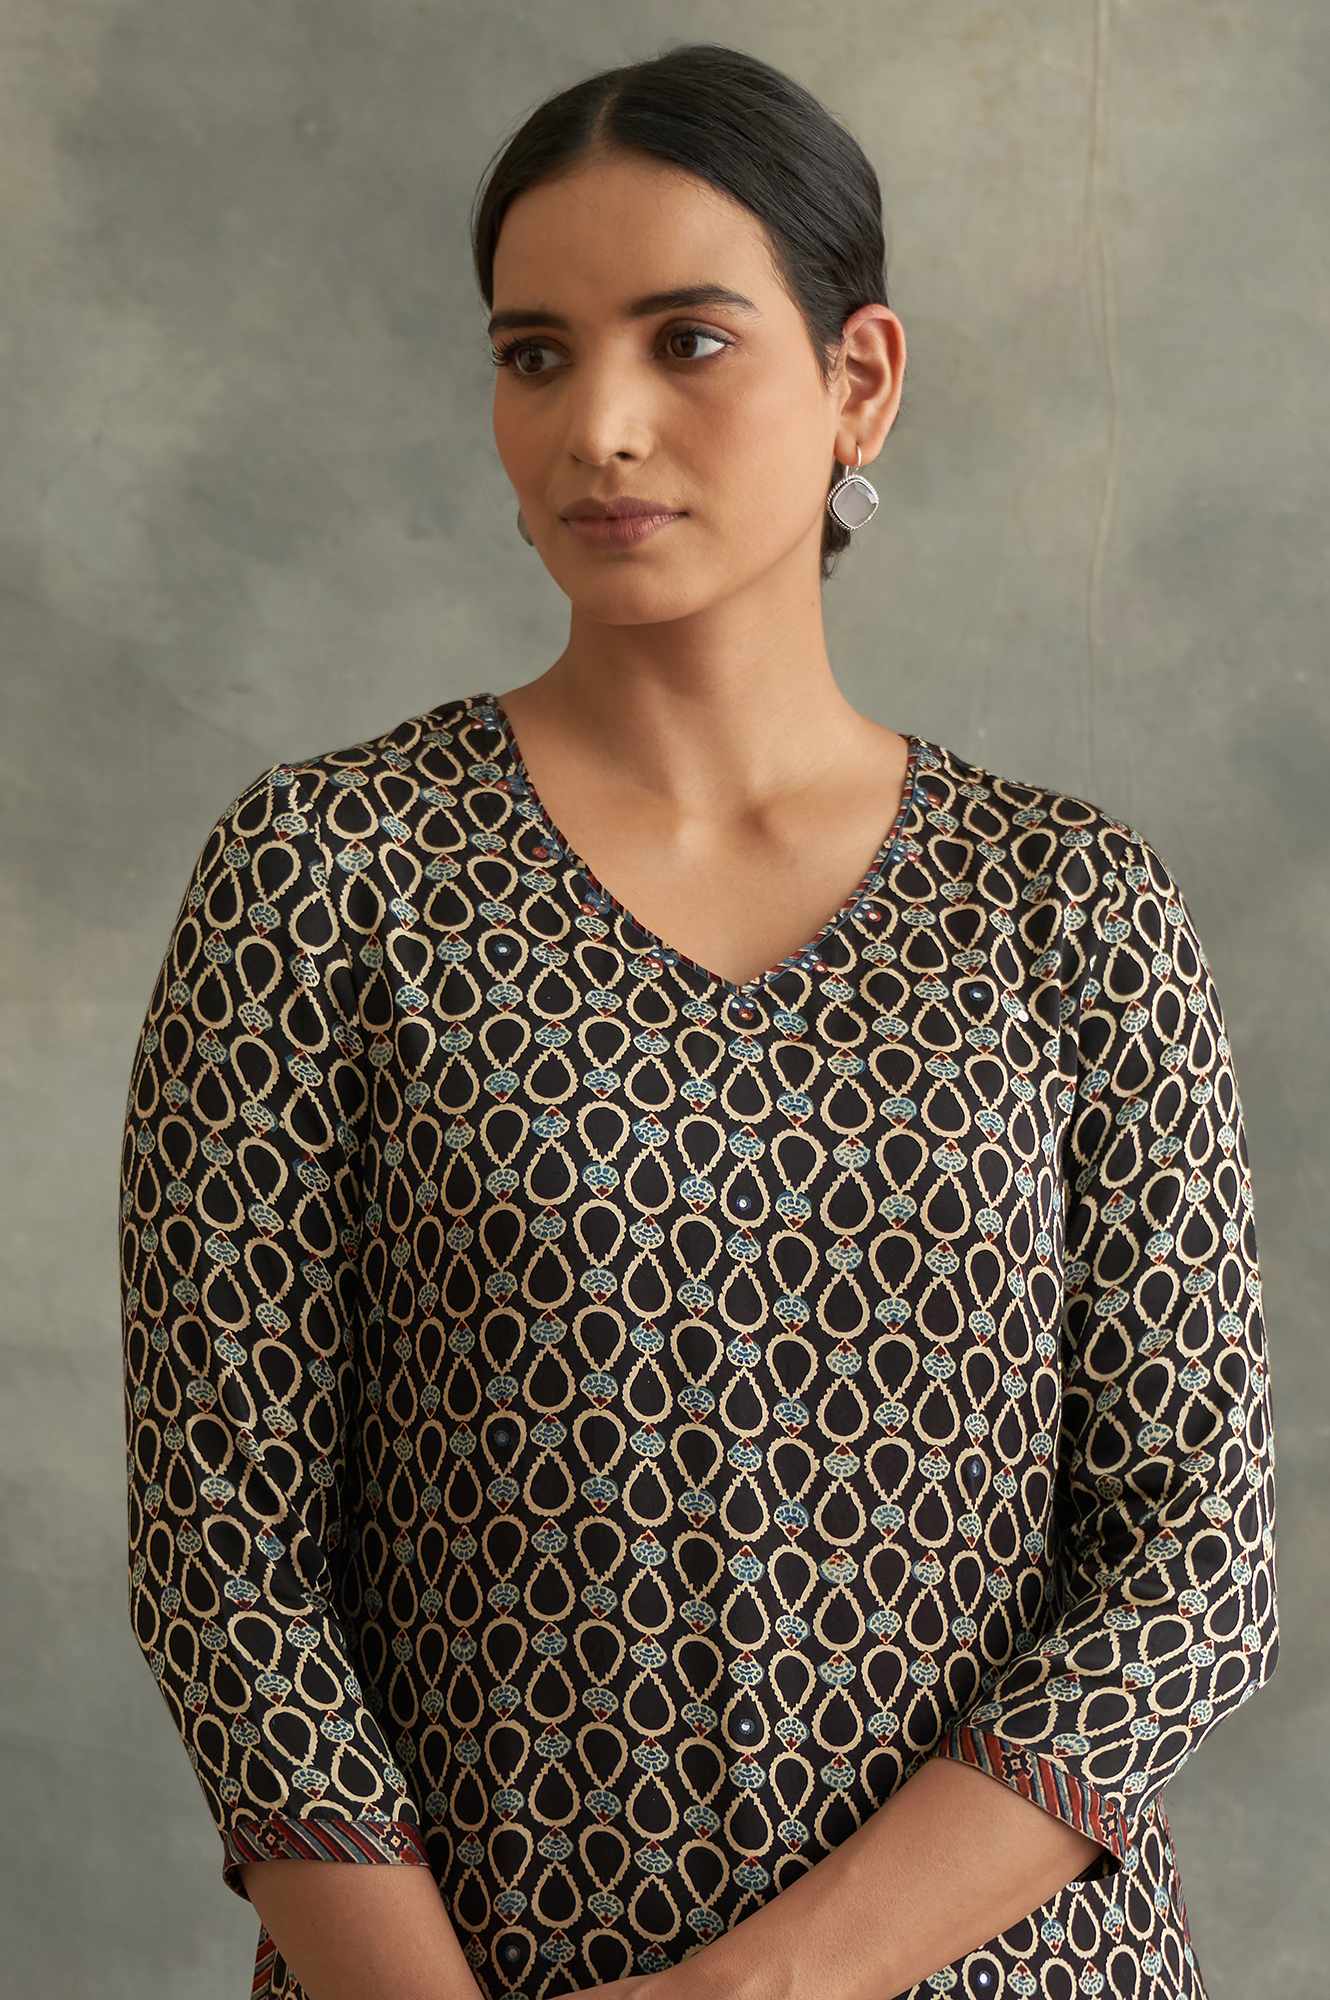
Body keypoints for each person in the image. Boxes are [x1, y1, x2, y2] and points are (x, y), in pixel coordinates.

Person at [117, 41, 1279, 2000]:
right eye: (536, 354)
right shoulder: (327, 877)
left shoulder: (1067, 910)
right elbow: (225, 1562)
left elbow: (1192, 1564)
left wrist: (758, 1991)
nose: (599, 426)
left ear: (858, 380)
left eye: (689, 341)